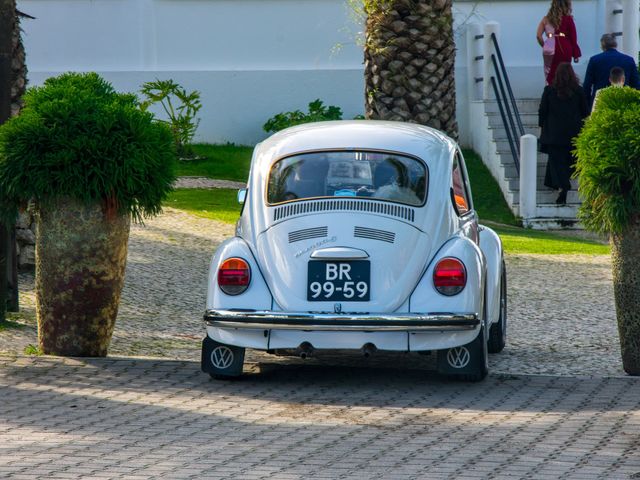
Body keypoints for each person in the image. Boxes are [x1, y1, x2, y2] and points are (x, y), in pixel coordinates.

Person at [538, 63, 588, 204]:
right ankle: (562, 184)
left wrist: (542, 126)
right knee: (569, 161)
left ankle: (562, 186)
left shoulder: (549, 91)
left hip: (554, 134)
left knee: (556, 162)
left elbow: (542, 111)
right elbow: (585, 111)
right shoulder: (578, 91)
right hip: (574, 134)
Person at [583, 33, 639, 109]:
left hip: (600, 102)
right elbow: (636, 85)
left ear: (602, 46)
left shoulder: (594, 60)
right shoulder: (629, 60)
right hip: (623, 102)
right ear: (615, 45)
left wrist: (588, 105)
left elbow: (587, 86)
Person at [536, 0, 582, 85]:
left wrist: (545, 45)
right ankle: (565, 91)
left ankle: (549, 91)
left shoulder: (545, 19)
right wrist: (575, 54)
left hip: (549, 45)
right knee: (565, 71)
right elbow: (573, 37)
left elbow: (538, 36)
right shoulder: (568, 19)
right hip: (564, 46)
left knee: (549, 71)